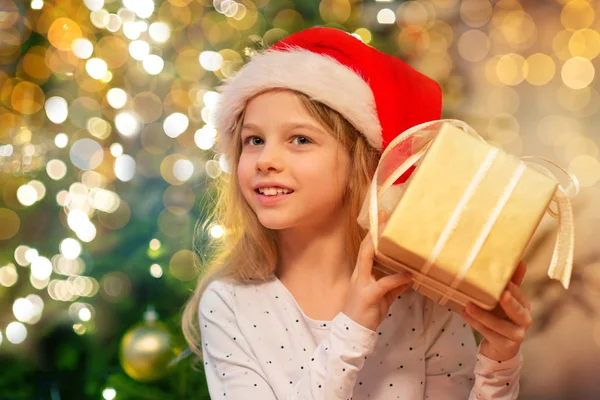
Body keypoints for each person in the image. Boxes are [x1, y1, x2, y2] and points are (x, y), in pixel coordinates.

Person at [182, 27, 531, 399]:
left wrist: (499, 362)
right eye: (254, 140)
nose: (266, 160)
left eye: (300, 139)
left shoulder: (421, 300)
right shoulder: (229, 304)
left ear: (360, 164)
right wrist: (351, 329)